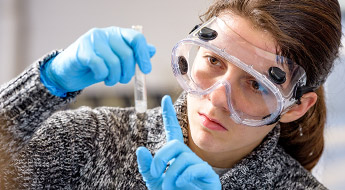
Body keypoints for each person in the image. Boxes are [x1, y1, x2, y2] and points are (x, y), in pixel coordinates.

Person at [0, 0, 342, 189]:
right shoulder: (93, 141)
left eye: (255, 84)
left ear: (296, 107)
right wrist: (47, 82)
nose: (218, 98)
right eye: (213, 60)